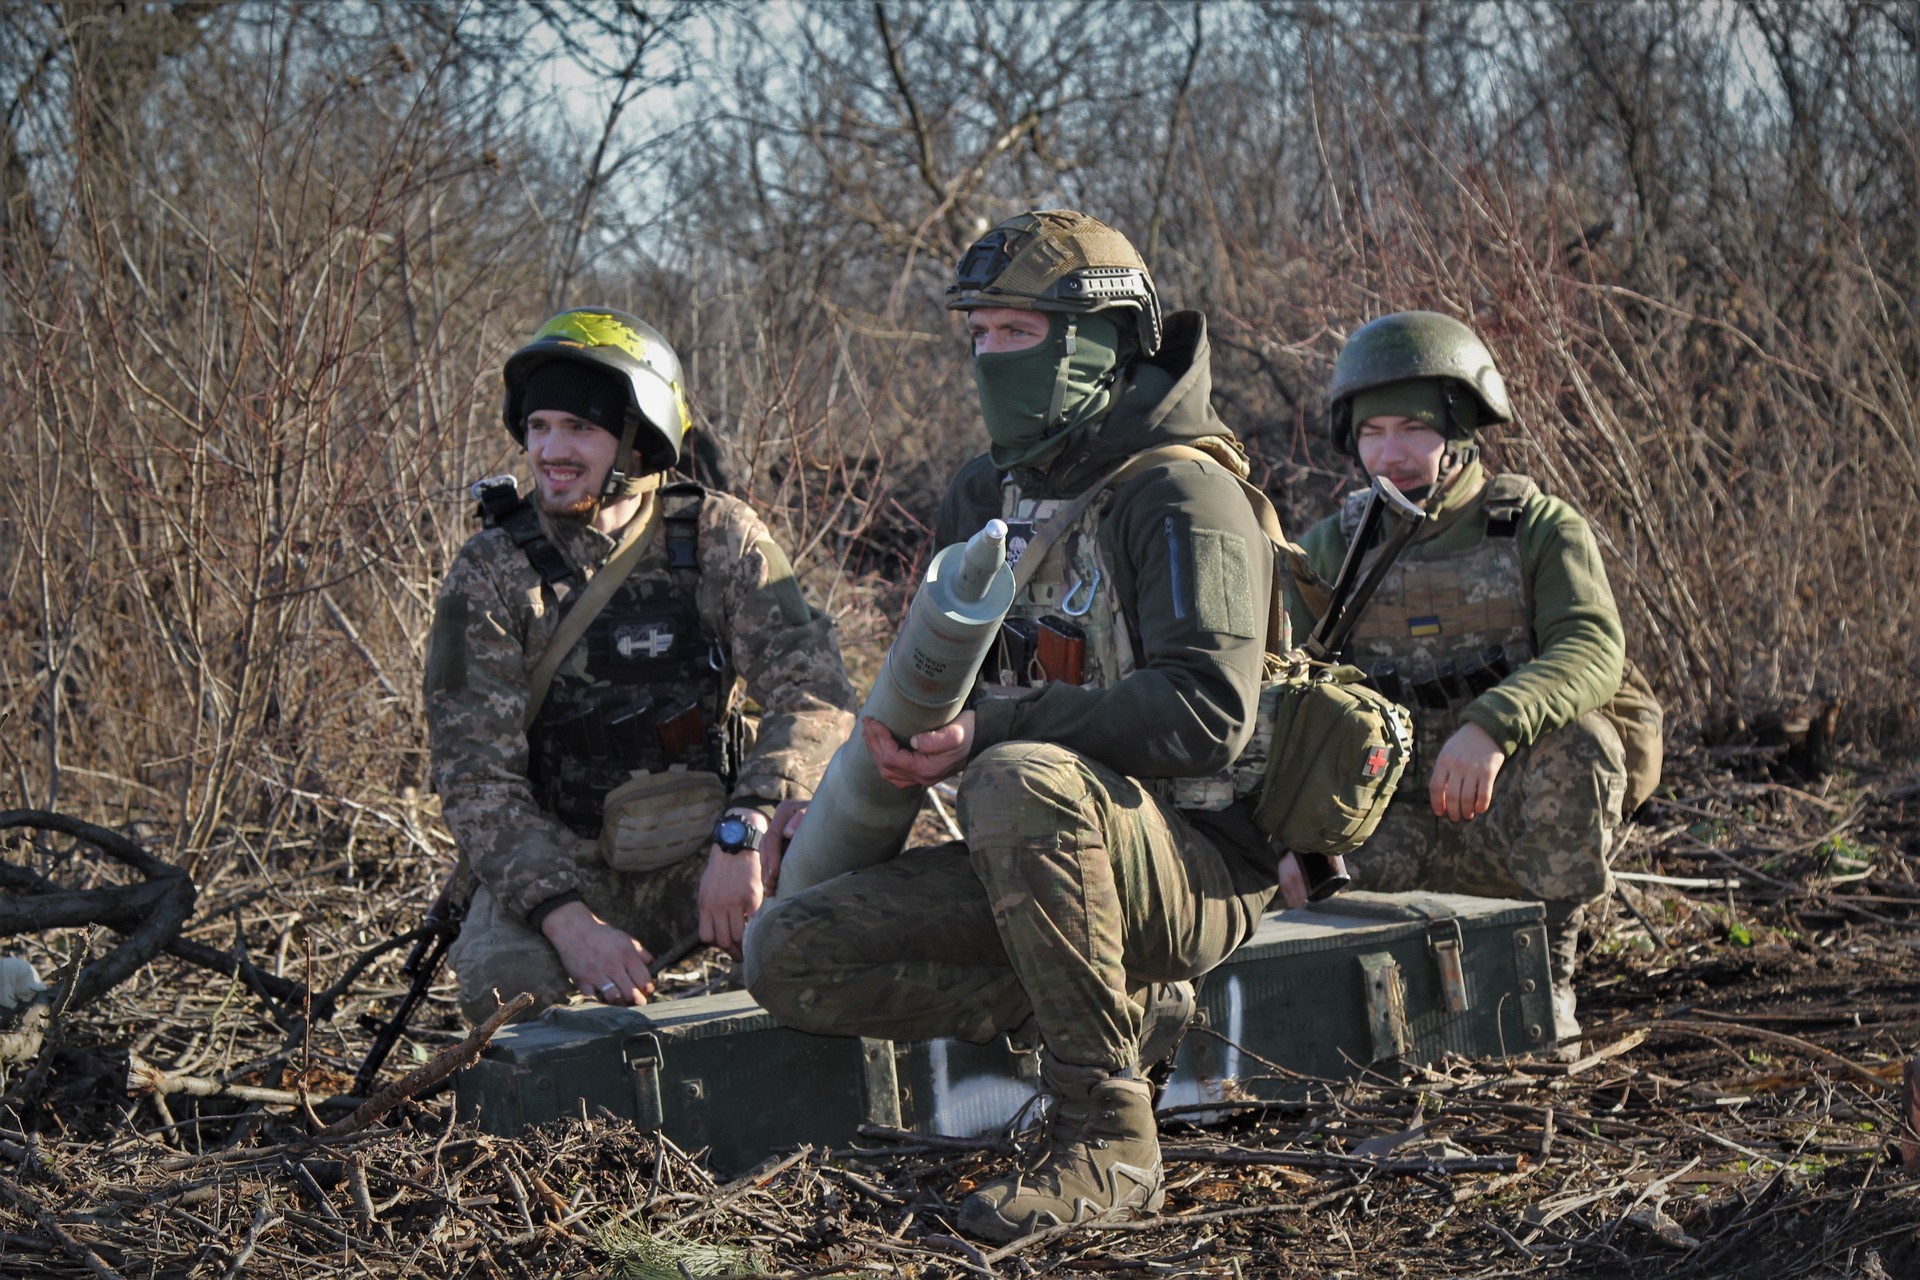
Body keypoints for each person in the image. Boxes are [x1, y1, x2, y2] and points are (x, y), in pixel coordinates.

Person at [745, 212, 1284, 1241]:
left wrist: (996, 729)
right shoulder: (982, 496)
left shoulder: (1182, 491)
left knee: (1016, 775)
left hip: (1196, 866)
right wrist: (848, 795)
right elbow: (931, 692)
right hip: (1039, 861)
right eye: (979, 334)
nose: (989, 358)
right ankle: (1099, 997)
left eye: (1016, 334)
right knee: (788, 951)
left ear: (1098, 341)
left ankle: (1109, 1137)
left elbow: (1209, 712)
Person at [425, 308, 856, 1025]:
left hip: (713, 851)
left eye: (579, 429)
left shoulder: (720, 536)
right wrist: (568, 922)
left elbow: (815, 694)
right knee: (510, 998)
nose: (550, 451)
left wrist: (746, 828)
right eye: (538, 427)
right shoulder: (492, 572)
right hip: (565, 865)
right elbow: (474, 778)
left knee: (825, 953)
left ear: (638, 438)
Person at [1288, 310, 1653, 1050]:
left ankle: (1546, 983)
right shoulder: (1331, 547)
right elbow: (1283, 687)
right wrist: (1286, 837)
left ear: (1460, 430)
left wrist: (1490, 725)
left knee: (1582, 744)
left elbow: (1591, 647)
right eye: (1370, 433)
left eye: (1411, 429)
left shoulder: (1539, 529)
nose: (1389, 454)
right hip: (1383, 816)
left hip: (1505, 809)